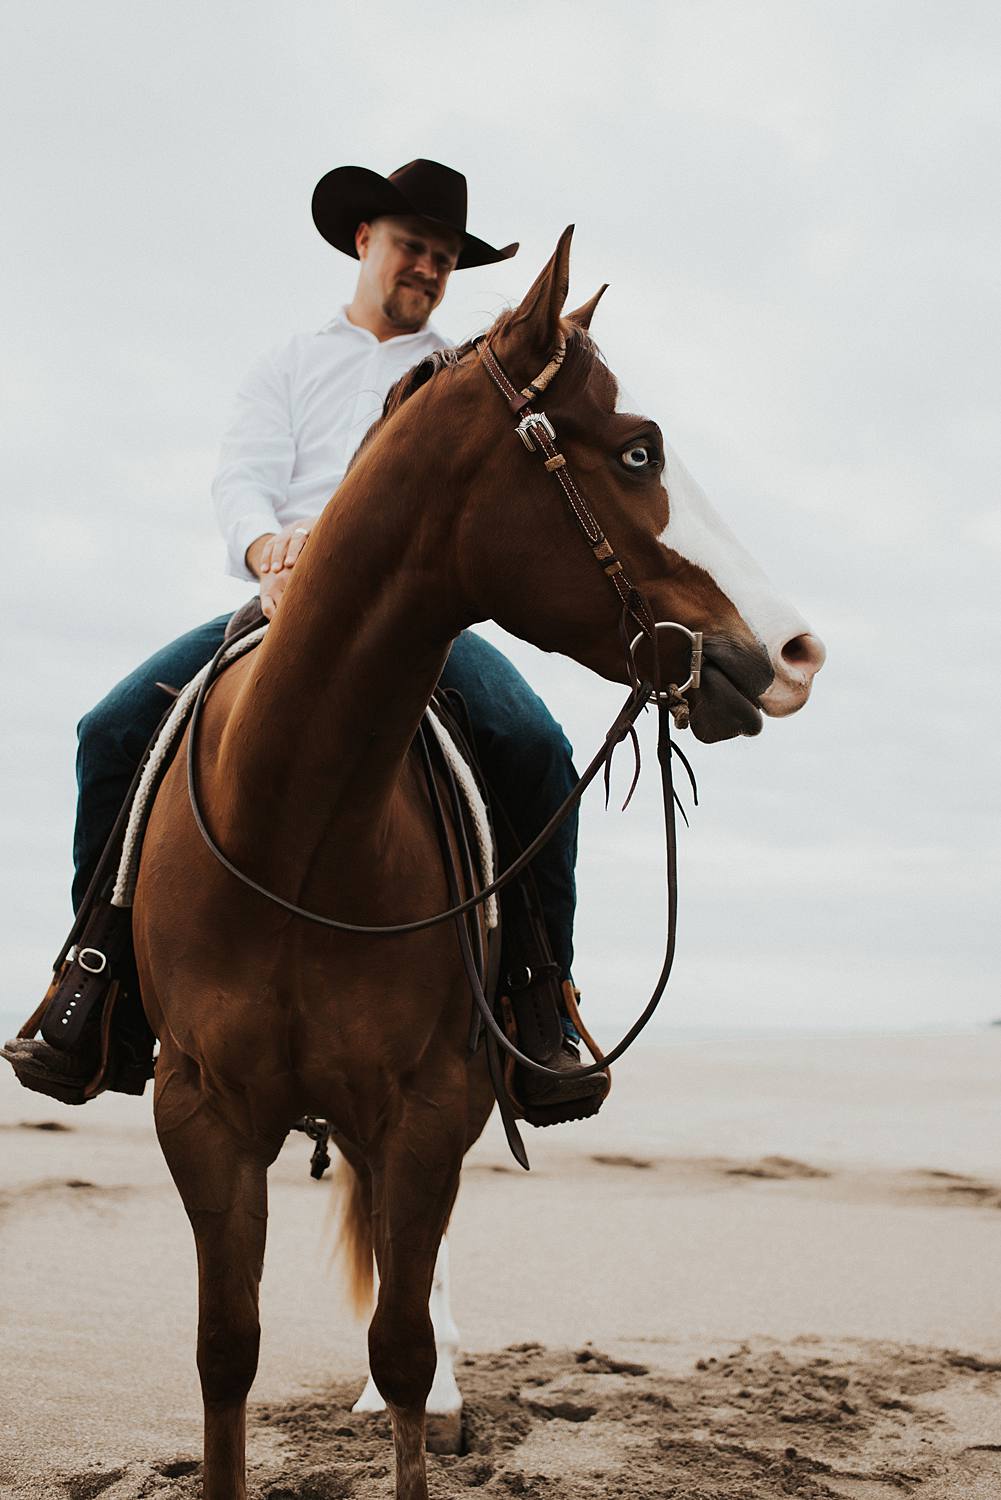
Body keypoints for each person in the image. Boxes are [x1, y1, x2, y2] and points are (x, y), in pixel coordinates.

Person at [2, 159, 608, 1123]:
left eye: (446, 259)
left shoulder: (464, 378)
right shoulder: (288, 363)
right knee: (110, 732)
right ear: (363, 240)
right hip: (280, 600)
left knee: (534, 745)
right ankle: (96, 982)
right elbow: (241, 478)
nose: (428, 269)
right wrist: (266, 546)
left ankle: (541, 996)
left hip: (418, 615)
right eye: (414, 246)